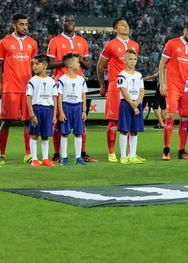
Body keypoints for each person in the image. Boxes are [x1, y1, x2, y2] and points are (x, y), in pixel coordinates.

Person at [47, 14, 96, 163]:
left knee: (81, 121)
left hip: (78, 85)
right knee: (59, 121)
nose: (69, 23)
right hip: (60, 85)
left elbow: (87, 65)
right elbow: (49, 63)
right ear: (62, 23)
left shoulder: (82, 41)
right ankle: (58, 154)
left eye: (72, 21)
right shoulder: (55, 41)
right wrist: (67, 60)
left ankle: (82, 153)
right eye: (67, 21)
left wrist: (79, 59)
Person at [0, 13, 39, 164]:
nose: (25, 27)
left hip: (27, 88)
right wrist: (0, 84)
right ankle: (2, 154)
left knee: (28, 121)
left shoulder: (32, 43)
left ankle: (28, 154)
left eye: (26, 24)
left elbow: (35, 66)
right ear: (14, 25)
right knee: (6, 121)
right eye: (21, 24)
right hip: (10, 87)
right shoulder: (5, 42)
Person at [97, 18, 140, 162]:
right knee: (114, 121)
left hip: (132, 89)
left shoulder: (135, 45)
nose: (126, 26)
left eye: (127, 24)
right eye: (122, 25)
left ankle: (130, 154)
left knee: (131, 121)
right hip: (116, 88)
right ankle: (111, 152)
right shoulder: (110, 45)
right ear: (115, 29)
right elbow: (100, 66)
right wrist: (103, 85)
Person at [158, 21, 188, 160]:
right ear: (185, 31)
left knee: (185, 118)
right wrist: (162, 83)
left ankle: (182, 150)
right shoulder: (172, 43)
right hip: (173, 85)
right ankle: (166, 149)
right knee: (170, 116)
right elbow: (162, 64)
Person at [26, 55, 58, 167]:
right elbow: (28, 99)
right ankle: (34, 159)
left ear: (45, 65)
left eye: (37, 63)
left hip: (48, 109)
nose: (34, 66)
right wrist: (32, 114)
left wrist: (54, 115)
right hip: (37, 108)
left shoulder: (52, 81)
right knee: (34, 134)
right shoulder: (32, 81)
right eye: (33, 63)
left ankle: (45, 158)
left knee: (45, 135)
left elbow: (55, 99)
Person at [57, 53, 88, 166]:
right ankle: (64, 157)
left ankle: (78, 157)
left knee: (78, 133)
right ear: (70, 64)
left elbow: (83, 95)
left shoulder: (81, 79)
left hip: (77, 107)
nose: (79, 64)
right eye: (77, 62)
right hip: (66, 106)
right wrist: (61, 112)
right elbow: (59, 96)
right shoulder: (62, 79)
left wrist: (84, 111)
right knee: (65, 133)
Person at [117, 49, 145, 165]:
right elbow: (124, 91)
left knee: (134, 131)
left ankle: (132, 155)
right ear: (124, 60)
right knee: (124, 130)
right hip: (126, 104)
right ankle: (123, 156)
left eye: (134, 59)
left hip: (137, 104)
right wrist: (133, 105)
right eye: (130, 59)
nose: (133, 61)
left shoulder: (139, 75)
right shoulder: (122, 75)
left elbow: (142, 90)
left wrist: (138, 102)